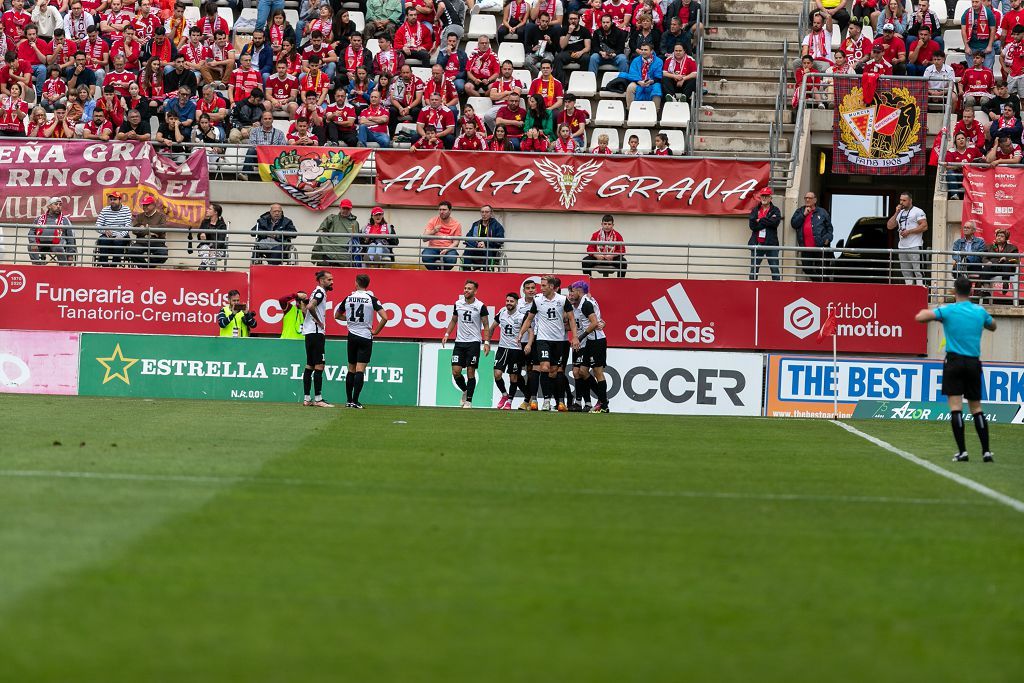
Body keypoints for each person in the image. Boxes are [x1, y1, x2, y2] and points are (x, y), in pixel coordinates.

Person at [915, 277, 997, 462]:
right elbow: (993, 326)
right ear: (972, 291)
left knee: (955, 407)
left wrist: (937, 315)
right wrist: (982, 322)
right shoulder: (979, 311)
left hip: (953, 362)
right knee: (976, 407)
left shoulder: (948, 310)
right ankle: (986, 451)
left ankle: (963, 452)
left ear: (954, 291)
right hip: (973, 362)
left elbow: (920, 317)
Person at [517, 275, 579, 412]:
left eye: (544, 286)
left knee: (554, 371)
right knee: (544, 367)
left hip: (560, 341)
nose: (541, 288)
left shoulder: (563, 300)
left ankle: (559, 400)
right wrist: (521, 333)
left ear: (551, 286)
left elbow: (572, 319)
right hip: (543, 339)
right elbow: (529, 319)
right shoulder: (538, 300)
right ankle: (545, 400)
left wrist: (574, 337)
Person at [333, 273, 389, 408]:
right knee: (360, 369)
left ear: (356, 283)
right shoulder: (372, 299)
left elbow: (337, 315)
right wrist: (376, 331)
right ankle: (356, 401)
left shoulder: (348, 298)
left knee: (351, 368)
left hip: (351, 335)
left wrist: (351, 320)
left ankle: (348, 400)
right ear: (367, 285)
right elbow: (385, 317)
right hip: (365, 336)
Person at [442, 279, 490, 408]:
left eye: (469, 289)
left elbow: (486, 324)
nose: (466, 291)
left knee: (470, 372)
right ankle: (465, 390)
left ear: (475, 291)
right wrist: (447, 334)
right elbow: (453, 320)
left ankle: (468, 401)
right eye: (465, 288)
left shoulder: (480, 306)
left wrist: (486, 342)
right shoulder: (458, 304)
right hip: (459, 342)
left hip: (473, 343)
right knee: (456, 371)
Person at [300, 270, 335, 407]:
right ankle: (319, 399)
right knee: (319, 365)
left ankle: (307, 399)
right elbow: (310, 306)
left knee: (310, 365)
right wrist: (319, 321)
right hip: (316, 332)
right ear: (321, 281)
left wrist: (309, 319)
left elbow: (304, 308)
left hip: (309, 332)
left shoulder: (315, 292)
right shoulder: (320, 292)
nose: (332, 282)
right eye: (329, 280)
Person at [488, 291, 526, 410]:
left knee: (513, 377)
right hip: (502, 348)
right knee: (497, 374)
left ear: (516, 302)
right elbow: (492, 328)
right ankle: (504, 395)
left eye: (511, 301)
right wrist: (487, 342)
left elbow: (530, 331)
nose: (509, 303)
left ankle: (510, 401)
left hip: (516, 350)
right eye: (507, 301)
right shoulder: (502, 313)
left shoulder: (521, 316)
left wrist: (529, 344)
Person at [886, 191, 928, 286]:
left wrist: (909, 231)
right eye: (900, 200)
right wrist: (896, 213)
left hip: (915, 245)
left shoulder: (918, 211)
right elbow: (889, 226)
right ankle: (909, 293)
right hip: (902, 247)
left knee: (918, 272)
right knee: (906, 272)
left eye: (904, 200)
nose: (901, 202)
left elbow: (925, 226)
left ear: (910, 201)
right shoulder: (900, 213)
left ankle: (921, 293)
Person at [790, 191, 833, 282]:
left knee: (821, 269)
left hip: (819, 246)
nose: (807, 200)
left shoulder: (822, 212)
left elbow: (830, 229)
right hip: (806, 247)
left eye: (810, 198)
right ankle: (819, 282)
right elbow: (794, 224)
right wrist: (803, 214)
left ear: (815, 200)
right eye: (806, 198)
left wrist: (827, 239)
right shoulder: (800, 211)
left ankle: (823, 286)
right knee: (806, 267)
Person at [748, 187, 782, 281]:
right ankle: (752, 288)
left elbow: (775, 223)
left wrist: (761, 220)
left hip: (771, 244)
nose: (764, 198)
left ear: (771, 198)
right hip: (757, 243)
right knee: (754, 269)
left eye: (766, 196)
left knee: (774, 268)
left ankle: (777, 288)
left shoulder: (775, 210)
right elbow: (752, 226)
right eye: (762, 196)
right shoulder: (755, 210)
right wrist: (767, 221)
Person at [312, 198, 358, 267]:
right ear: (339, 208)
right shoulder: (332, 218)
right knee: (321, 238)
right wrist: (322, 232)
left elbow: (355, 239)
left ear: (351, 209)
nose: (345, 211)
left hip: (344, 248)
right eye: (344, 208)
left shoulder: (354, 223)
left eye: (347, 209)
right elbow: (321, 229)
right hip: (330, 246)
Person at [29, 196, 75, 265]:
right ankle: (37, 266)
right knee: (30, 246)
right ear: (49, 206)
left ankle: (64, 266)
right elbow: (31, 232)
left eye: (60, 205)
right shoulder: (39, 219)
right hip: (41, 244)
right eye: (56, 204)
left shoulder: (65, 220)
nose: (58, 206)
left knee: (58, 247)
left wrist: (70, 255)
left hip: (58, 244)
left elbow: (70, 238)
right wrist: (33, 242)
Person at [94, 191, 133, 266]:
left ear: (120, 200)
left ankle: (114, 265)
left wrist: (121, 235)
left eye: (114, 199)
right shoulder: (105, 210)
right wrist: (104, 231)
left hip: (121, 235)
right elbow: (97, 225)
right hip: (107, 235)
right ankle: (104, 266)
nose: (112, 201)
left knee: (118, 242)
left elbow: (128, 226)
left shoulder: (126, 210)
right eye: (111, 199)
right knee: (102, 240)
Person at [421, 200, 462, 270]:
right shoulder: (433, 220)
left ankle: (443, 274)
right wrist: (434, 231)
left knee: (451, 260)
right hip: (433, 248)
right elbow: (424, 239)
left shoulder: (456, 224)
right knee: (426, 257)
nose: (441, 212)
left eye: (444, 210)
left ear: (450, 211)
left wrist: (446, 249)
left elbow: (456, 242)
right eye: (440, 210)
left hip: (448, 248)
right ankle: (435, 273)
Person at [130, 196, 169, 268]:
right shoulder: (139, 216)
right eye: (143, 205)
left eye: (147, 205)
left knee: (163, 254)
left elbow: (162, 228)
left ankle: (150, 267)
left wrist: (146, 228)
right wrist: (150, 231)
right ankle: (145, 268)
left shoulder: (161, 216)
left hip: (157, 242)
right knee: (132, 251)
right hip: (142, 242)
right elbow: (134, 229)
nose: (144, 207)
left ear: (154, 205)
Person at [463, 205, 505, 271]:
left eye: (486, 212)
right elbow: (468, 237)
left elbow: (500, 240)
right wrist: (477, 244)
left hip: (489, 249)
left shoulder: (497, 226)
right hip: (476, 247)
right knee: (467, 249)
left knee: (487, 251)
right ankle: (466, 271)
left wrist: (485, 243)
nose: (484, 214)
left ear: (491, 213)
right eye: (482, 212)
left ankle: (485, 271)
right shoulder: (476, 224)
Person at [981, 228, 1020, 295]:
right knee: (986, 267)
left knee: (1006, 263)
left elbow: (1015, 259)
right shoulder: (989, 247)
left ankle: (1005, 283)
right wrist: (987, 262)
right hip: (993, 267)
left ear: (1006, 239)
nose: (999, 237)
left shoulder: (1013, 248)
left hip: (1006, 270)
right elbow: (984, 257)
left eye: (1002, 236)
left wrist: (1006, 259)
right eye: (998, 236)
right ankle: (986, 289)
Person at [195, 202, 227, 271]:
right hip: (205, 247)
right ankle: (210, 266)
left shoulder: (222, 225)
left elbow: (221, 241)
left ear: (215, 212)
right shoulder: (205, 222)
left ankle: (205, 265)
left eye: (209, 209)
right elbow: (199, 236)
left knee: (213, 254)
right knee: (205, 248)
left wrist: (213, 247)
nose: (207, 210)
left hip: (217, 249)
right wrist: (201, 235)